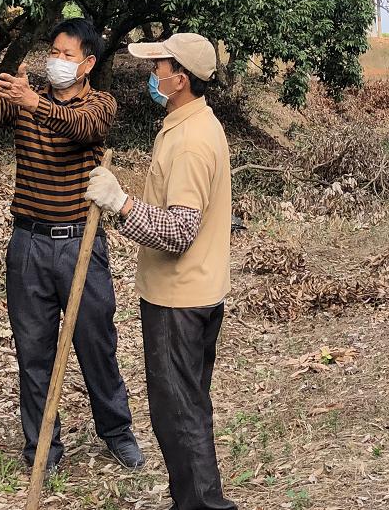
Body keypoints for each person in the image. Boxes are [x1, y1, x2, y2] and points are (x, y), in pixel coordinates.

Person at [0, 18, 144, 473]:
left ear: (88, 63)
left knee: (96, 344)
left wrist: (33, 101)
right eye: (52, 52)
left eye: (66, 55)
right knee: (33, 350)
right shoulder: (23, 99)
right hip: (29, 244)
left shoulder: (101, 104)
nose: (56, 61)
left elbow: (81, 130)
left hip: (81, 242)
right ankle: (43, 448)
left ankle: (116, 431)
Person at [84, 32, 237, 510]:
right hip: (191, 291)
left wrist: (121, 204)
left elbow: (178, 232)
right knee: (187, 407)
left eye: (160, 68)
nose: (154, 76)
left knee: (179, 415)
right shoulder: (185, 123)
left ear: (182, 79)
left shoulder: (191, 140)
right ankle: (190, 500)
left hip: (180, 299)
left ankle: (205, 506)